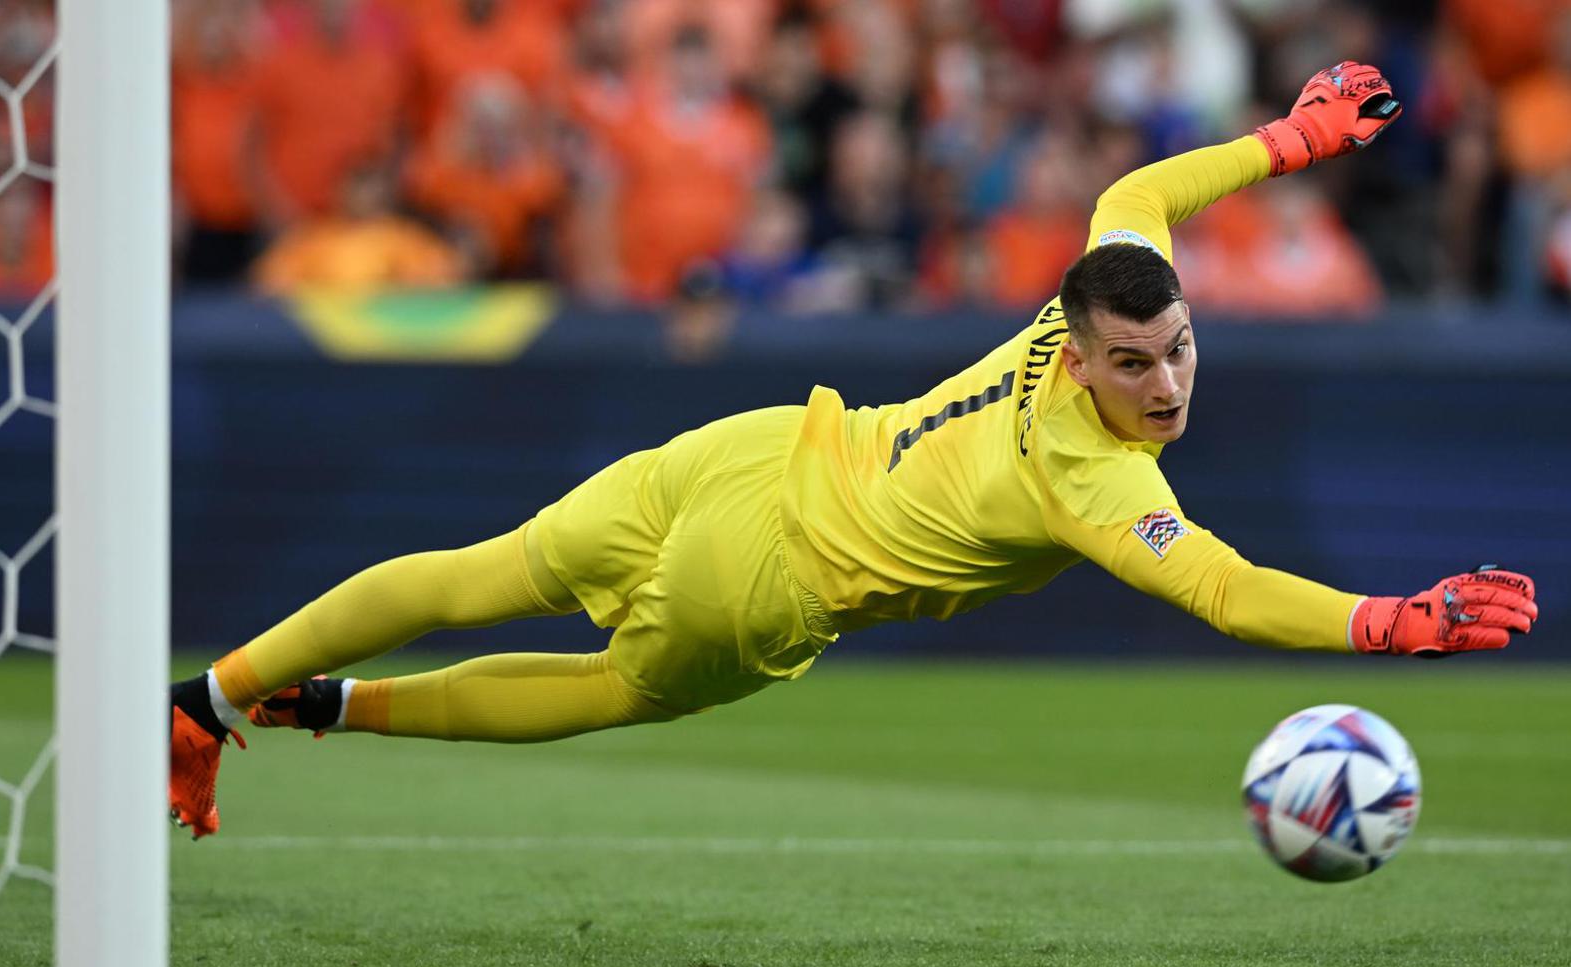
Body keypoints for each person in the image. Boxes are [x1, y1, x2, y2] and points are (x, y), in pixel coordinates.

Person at [170, 62, 1539, 838]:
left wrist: (1289, 140)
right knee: (613, 695)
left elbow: (1138, 195)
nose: (1165, 382)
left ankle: (215, 693)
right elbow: (1227, 589)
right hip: (770, 570)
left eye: (1177, 349)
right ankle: (328, 706)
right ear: (1079, 352)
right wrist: (1390, 624)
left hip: (752, 450)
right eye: (1134, 364)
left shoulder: (1106, 286)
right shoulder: (1093, 476)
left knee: (485, 567)